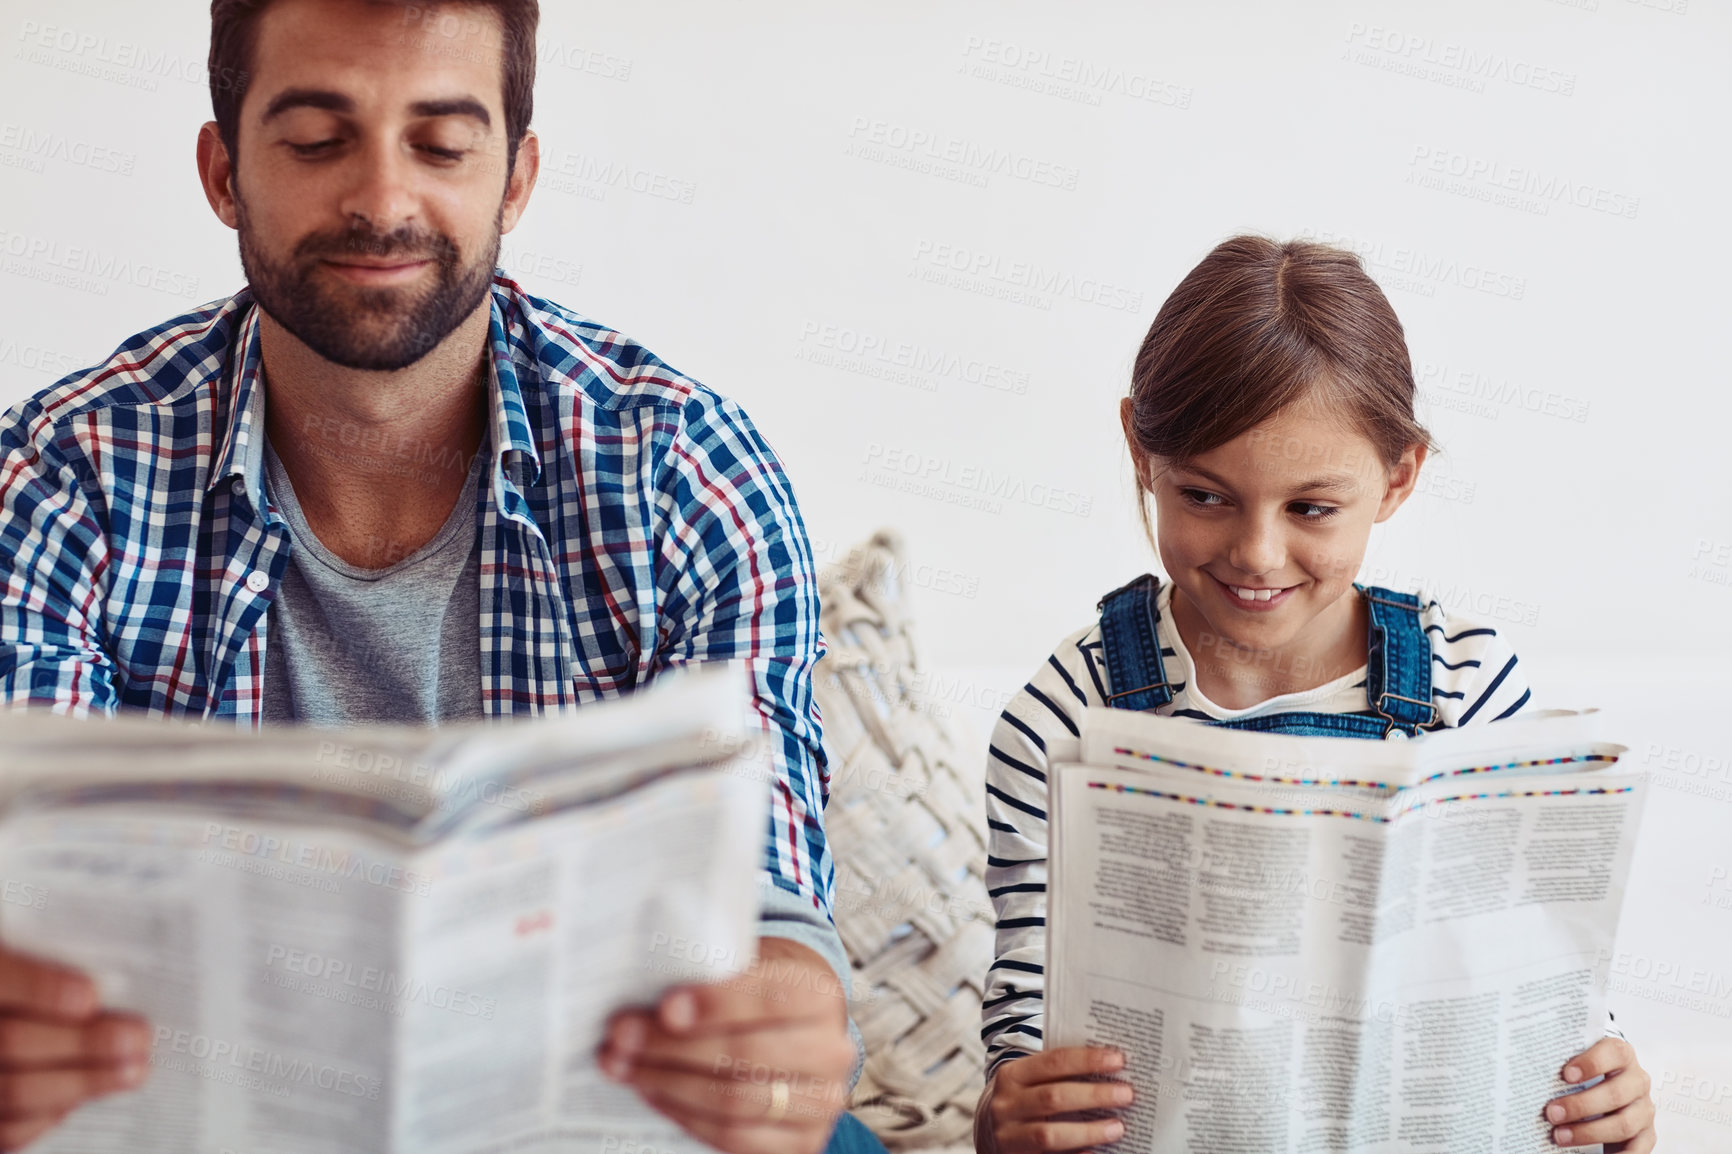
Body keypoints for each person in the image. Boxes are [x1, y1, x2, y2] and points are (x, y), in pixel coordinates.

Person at [0, 1, 883, 1151]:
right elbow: (32, 901)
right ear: (224, 172)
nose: (381, 199)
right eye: (317, 140)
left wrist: (781, 1008)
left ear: (515, 178)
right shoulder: (67, 473)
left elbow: (761, 880)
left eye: (442, 144)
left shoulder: (683, 469)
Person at [975, 236, 1656, 1154]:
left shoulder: (1467, 685)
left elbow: (1540, 976)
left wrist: (1605, 1088)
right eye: (1206, 496)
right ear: (1142, 449)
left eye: (1311, 509)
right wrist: (1006, 1114)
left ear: (1399, 477)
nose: (1256, 554)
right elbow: (1025, 1016)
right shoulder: (1066, 715)